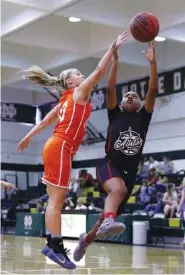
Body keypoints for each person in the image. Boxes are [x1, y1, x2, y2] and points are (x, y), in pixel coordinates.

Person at [17, 31, 128, 270]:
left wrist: (27, 136)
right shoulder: (79, 93)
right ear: (71, 83)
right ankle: (54, 246)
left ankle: (53, 244)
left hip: (58, 148)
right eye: (78, 74)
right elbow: (99, 71)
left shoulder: (65, 100)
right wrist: (112, 47)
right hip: (60, 148)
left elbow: (45, 122)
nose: (82, 75)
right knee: (56, 202)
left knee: (56, 200)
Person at [73, 40, 158, 261]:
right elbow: (110, 88)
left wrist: (153, 62)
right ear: (120, 103)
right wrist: (115, 61)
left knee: (105, 215)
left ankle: (86, 240)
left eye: (134, 96)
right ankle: (109, 221)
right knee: (116, 190)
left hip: (129, 174)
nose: (130, 96)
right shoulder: (115, 115)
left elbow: (153, 90)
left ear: (139, 105)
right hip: (109, 165)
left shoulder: (143, 119)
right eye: (127, 95)